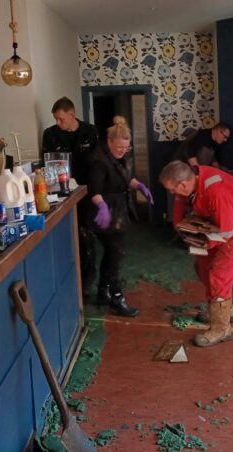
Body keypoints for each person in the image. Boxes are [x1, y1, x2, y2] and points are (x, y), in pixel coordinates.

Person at [160, 160, 233, 347]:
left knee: (220, 274)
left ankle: (222, 329)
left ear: (183, 184)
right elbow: (180, 205)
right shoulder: (189, 182)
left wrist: (203, 241)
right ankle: (224, 309)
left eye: (173, 190)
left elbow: (227, 231)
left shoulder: (216, 190)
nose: (172, 193)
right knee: (203, 267)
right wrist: (183, 230)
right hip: (216, 224)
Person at [85, 116, 153, 317]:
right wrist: (102, 207)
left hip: (117, 209)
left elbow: (124, 177)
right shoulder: (97, 160)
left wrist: (139, 186)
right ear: (109, 142)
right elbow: (94, 189)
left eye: (126, 148)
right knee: (116, 251)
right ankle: (116, 297)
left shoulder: (117, 156)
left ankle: (102, 291)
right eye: (119, 148)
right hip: (101, 211)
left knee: (113, 251)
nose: (123, 151)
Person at [41, 97, 99, 297]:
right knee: (68, 236)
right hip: (60, 194)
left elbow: (96, 162)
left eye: (61, 119)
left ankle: (88, 281)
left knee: (87, 236)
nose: (58, 123)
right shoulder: (50, 134)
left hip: (86, 191)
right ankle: (69, 279)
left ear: (72, 115)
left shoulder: (90, 132)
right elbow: (47, 165)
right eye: (56, 119)